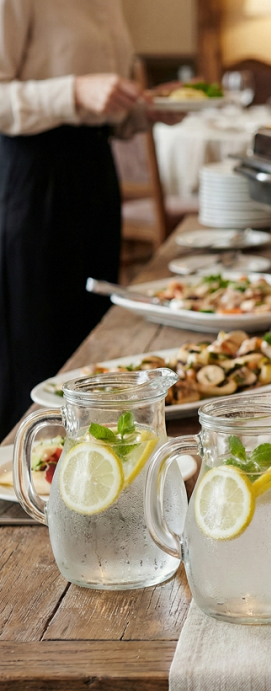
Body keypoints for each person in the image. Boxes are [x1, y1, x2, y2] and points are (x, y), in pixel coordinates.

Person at [0, 0, 180, 438]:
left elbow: (101, 111)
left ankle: (97, 460)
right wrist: (74, 91)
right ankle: (26, 462)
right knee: (38, 342)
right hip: (35, 173)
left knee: (91, 335)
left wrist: (144, 109)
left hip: (96, 168)